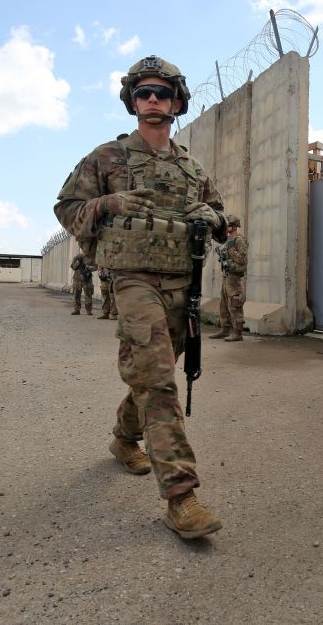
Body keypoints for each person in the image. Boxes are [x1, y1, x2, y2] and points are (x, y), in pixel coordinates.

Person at [54, 55, 228, 539]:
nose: (153, 100)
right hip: (132, 281)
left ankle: (123, 437)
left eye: (162, 93)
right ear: (133, 101)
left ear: (176, 101)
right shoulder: (106, 157)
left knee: (153, 375)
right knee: (157, 380)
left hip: (182, 284)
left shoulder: (190, 165)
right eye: (144, 93)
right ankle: (182, 496)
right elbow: (66, 208)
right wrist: (108, 203)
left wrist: (211, 218)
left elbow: (220, 217)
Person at [209, 215, 247, 342]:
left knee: (234, 304)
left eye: (229, 225)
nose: (227, 227)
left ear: (235, 226)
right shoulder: (228, 239)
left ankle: (237, 333)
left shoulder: (239, 240)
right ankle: (225, 330)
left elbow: (242, 260)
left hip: (235, 278)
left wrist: (230, 252)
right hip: (227, 276)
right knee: (224, 304)